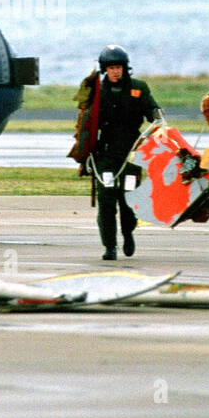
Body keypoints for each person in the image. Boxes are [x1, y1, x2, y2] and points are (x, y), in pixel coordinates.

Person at [69, 45, 160, 260]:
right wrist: (86, 154)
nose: (115, 71)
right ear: (104, 70)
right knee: (107, 201)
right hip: (106, 156)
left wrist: (157, 119)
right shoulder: (96, 92)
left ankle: (128, 232)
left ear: (125, 68)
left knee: (129, 198)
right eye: (111, 68)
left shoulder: (139, 88)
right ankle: (109, 247)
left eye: (118, 67)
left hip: (131, 155)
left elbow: (154, 114)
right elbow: (85, 123)